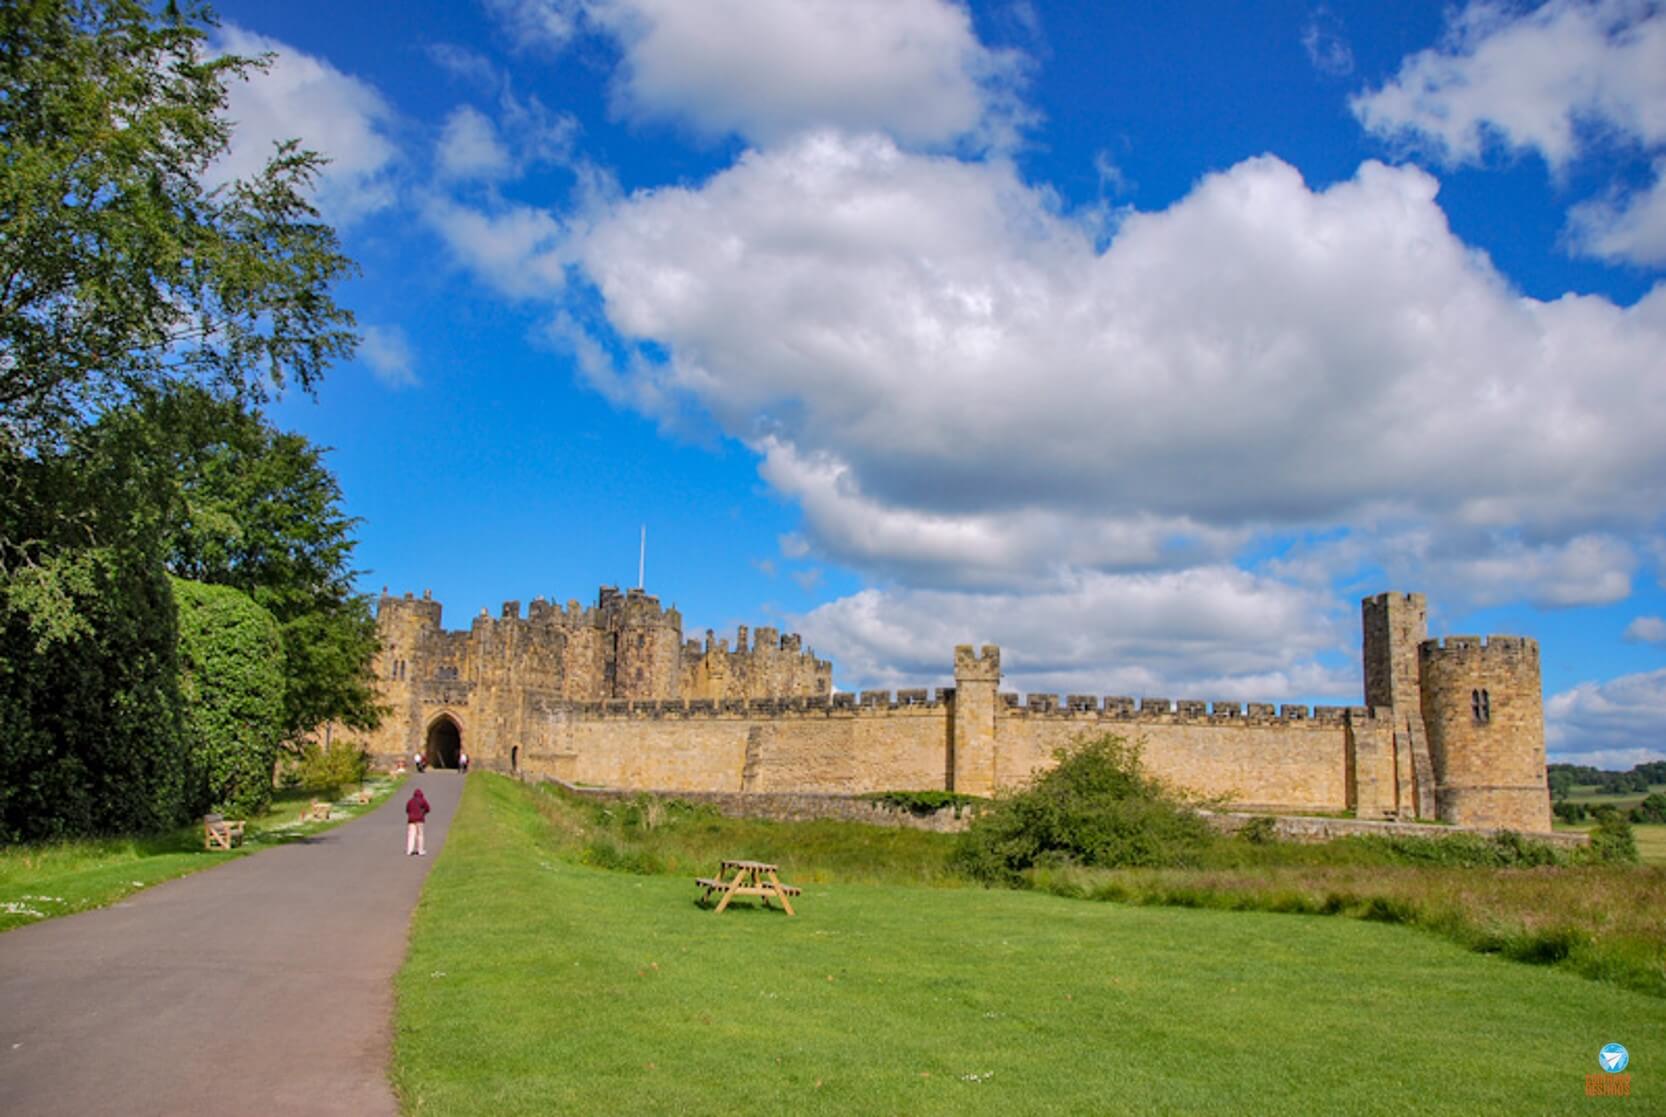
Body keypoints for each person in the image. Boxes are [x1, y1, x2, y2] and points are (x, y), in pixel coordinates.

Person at [405, 787, 431, 856]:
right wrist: (423, 813)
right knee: (420, 835)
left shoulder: (410, 801)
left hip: (411, 819)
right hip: (420, 819)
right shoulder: (422, 800)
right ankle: (420, 850)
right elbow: (428, 808)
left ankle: (409, 850)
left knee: (411, 835)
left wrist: (411, 813)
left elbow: (407, 810)